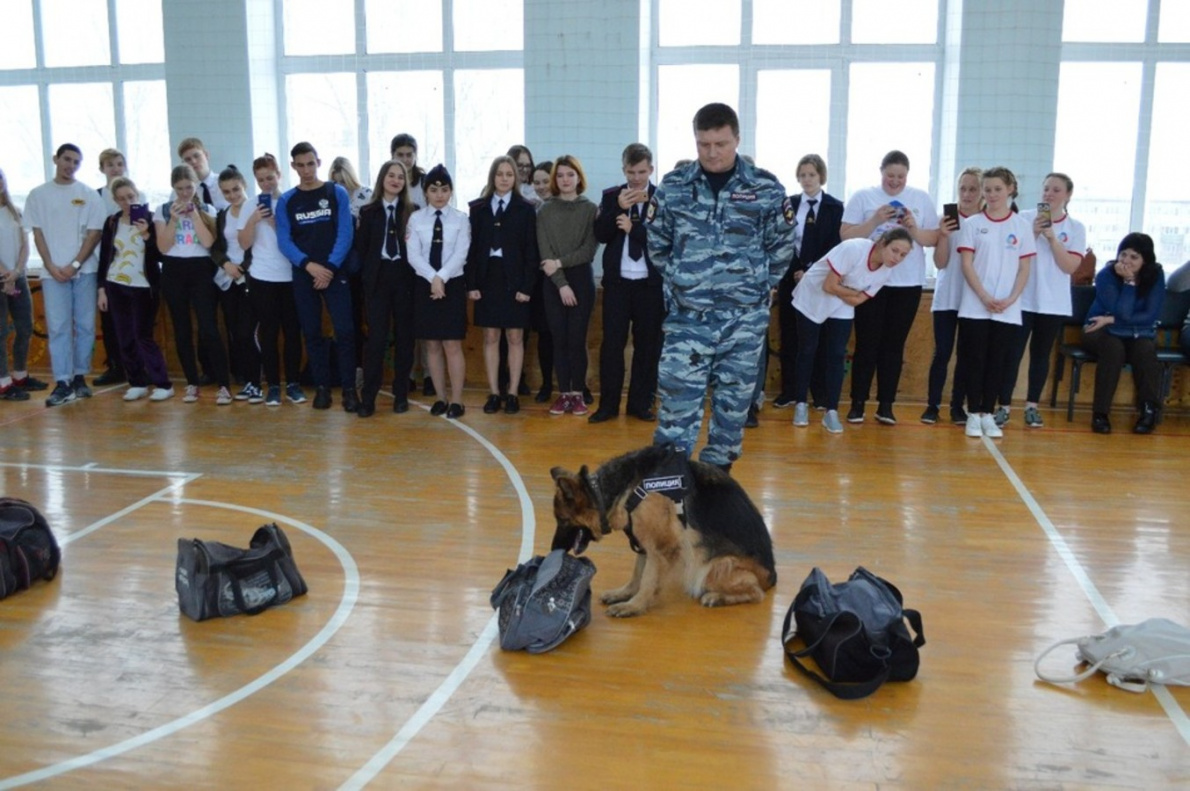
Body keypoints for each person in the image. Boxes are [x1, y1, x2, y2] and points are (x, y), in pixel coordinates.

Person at [647, 103, 795, 470]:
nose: (712, 152)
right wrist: (687, 283)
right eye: (703, 144)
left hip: (743, 322)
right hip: (688, 321)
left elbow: (782, 248)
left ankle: (715, 487)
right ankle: (669, 491)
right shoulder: (674, 187)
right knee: (676, 406)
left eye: (721, 144)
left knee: (732, 411)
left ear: (737, 139)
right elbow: (657, 245)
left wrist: (753, 286)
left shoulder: (765, 188)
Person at [840, 150, 939, 425]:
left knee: (894, 346)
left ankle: (886, 405)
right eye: (890, 175)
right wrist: (874, 221)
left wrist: (913, 228)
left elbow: (932, 239)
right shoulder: (863, 197)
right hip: (870, 280)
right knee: (866, 344)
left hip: (906, 284)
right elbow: (844, 235)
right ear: (881, 171)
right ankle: (857, 403)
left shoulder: (920, 198)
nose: (895, 181)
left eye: (901, 177)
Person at [790, 230, 913, 433]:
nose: (897, 258)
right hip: (813, 294)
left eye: (903, 255)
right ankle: (800, 404)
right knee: (807, 350)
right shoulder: (853, 248)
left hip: (842, 302)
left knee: (837, 354)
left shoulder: (885, 272)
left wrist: (849, 292)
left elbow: (857, 300)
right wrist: (853, 292)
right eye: (895, 250)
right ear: (882, 243)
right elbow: (829, 285)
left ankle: (831, 411)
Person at [997, 173, 1086, 428]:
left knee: (1040, 355)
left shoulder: (1076, 228)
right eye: (1046, 188)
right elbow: (1011, 256)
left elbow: (1069, 266)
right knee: (1012, 354)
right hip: (1022, 299)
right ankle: (1003, 406)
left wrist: (1052, 238)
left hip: (1053, 303)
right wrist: (1033, 233)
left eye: (1056, 190)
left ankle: (1032, 407)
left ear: (1068, 195)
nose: (1049, 194)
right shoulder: (1024, 219)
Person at [275, 141, 358, 411]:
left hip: (335, 272)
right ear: (293, 166)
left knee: (345, 331)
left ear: (318, 162)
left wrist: (330, 268)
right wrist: (308, 265)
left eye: (311, 163)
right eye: (300, 165)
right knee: (311, 332)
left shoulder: (337, 193)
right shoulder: (287, 200)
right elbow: (284, 241)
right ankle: (322, 388)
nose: (306, 170)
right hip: (305, 274)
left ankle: (348, 390)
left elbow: (345, 233)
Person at [24, 143, 107, 407]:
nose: (71, 166)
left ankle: (80, 377)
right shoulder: (38, 195)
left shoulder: (88, 195)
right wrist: (50, 265)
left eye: (76, 162)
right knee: (59, 328)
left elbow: (95, 233)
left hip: (84, 271)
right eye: (67, 160)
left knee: (84, 326)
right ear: (56, 159)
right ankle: (62, 381)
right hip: (52, 274)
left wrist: (74, 264)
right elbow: (37, 233)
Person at [955, 166, 1035, 439]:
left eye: (998, 189)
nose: (992, 194)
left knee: (998, 362)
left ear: (1011, 189)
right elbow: (967, 265)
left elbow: (1024, 268)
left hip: (1008, 309)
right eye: (987, 190)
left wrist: (1011, 299)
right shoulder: (973, 224)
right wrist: (985, 297)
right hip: (975, 306)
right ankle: (972, 413)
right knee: (974, 360)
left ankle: (988, 414)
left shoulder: (1022, 227)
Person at [589, 143, 662, 424]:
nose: (636, 178)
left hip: (649, 286)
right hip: (618, 285)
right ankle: (607, 405)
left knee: (647, 346)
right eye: (631, 172)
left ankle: (640, 404)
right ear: (623, 170)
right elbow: (601, 234)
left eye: (641, 172)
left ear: (651, 170)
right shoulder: (611, 196)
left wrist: (636, 230)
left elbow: (665, 241)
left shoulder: (661, 199)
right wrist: (617, 209)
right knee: (612, 345)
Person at [770, 153, 843, 417]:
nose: (807, 180)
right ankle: (790, 390)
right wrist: (797, 269)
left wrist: (812, 271)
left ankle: (819, 393)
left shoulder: (835, 207)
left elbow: (836, 243)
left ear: (821, 176)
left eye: (811, 175)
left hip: (823, 279)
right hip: (793, 278)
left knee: (820, 338)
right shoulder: (789, 204)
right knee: (791, 334)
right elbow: (783, 241)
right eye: (802, 175)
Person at [154, 163, 232, 405]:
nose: (185, 192)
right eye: (180, 188)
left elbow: (209, 242)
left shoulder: (208, 208)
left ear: (196, 185)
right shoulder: (162, 210)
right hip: (173, 270)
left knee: (208, 328)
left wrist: (195, 214)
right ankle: (191, 382)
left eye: (189, 187)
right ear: (173, 188)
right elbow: (163, 247)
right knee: (181, 329)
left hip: (200, 269)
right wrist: (174, 221)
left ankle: (223, 385)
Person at [467, 155, 538, 415]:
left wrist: (527, 286)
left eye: (509, 174)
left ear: (516, 178)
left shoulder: (525, 208)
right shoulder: (479, 208)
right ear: (492, 177)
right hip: (488, 278)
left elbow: (531, 251)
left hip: (515, 279)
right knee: (490, 336)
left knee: (515, 336)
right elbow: (472, 250)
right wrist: (471, 283)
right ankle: (494, 392)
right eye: (500, 174)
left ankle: (512, 393)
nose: (505, 178)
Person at [95, 176, 172, 401]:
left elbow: (161, 255)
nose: (127, 202)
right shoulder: (112, 222)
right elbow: (105, 257)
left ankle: (163, 383)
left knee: (142, 335)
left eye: (130, 197)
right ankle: (137, 381)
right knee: (124, 336)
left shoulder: (151, 220)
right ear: (116, 201)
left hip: (144, 287)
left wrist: (147, 235)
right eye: (121, 199)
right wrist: (101, 288)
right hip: (116, 284)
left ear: (137, 195)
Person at [1082, 232, 1166, 435]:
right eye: (1123, 254)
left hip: (1135, 331)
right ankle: (1100, 413)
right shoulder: (1106, 275)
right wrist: (1129, 283)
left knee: (1146, 349)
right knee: (1113, 348)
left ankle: (1148, 411)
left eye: (1134, 257)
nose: (1126, 261)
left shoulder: (1155, 275)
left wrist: (1110, 318)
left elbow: (1150, 315)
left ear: (1146, 260)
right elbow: (1124, 313)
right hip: (1098, 329)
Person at [240, 153, 304, 407]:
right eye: (261, 179)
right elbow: (244, 243)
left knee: (292, 332)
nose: (266, 183)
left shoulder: (290, 201)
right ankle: (273, 386)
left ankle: (294, 384)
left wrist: (276, 223)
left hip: (290, 276)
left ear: (279, 174)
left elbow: (297, 242)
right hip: (261, 277)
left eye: (270, 177)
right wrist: (255, 219)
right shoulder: (250, 205)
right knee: (268, 333)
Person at [406, 164, 470, 418]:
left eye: (444, 190)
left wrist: (441, 277)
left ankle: (457, 400)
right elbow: (414, 255)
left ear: (451, 192)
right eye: (434, 190)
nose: (439, 195)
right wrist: (433, 278)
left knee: (452, 344)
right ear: (425, 193)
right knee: (431, 344)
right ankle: (441, 397)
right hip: (425, 283)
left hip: (452, 285)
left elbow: (461, 253)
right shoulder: (416, 219)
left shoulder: (461, 219)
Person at [537, 154, 599, 417]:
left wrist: (560, 263)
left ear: (578, 178)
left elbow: (588, 250)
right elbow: (545, 252)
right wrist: (561, 283)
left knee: (576, 339)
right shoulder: (545, 210)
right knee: (559, 339)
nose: (565, 180)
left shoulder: (590, 209)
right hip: (553, 284)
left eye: (570, 175)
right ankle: (563, 394)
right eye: (560, 175)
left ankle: (577, 394)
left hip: (582, 280)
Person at [355, 159, 416, 417]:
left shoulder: (412, 211)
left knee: (405, 339)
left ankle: (401, 395)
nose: (395, 180)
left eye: (400, 177)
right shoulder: (369, 212)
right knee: (377, 340)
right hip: (378, 280)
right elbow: (362, 249)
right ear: (382, 179)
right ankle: (368, 397)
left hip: (404, 279)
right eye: (391, 176)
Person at [922, 166, 981, 426]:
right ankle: (932, 405)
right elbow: (941, 262)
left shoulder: (985, 222)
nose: (967, 194)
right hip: (947, 297)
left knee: (967, 355)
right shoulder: (946, 217)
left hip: (973, 300)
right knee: (942, 352)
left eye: (973, 189)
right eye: (963, 188)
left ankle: (958, 406)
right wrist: (943, 237)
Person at [212, 166, 263, 403]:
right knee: (235, 333)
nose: (232, 196)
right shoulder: (222, 215)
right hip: (227, 279)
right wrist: (225, 264)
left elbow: (260, 244)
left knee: (247, 332)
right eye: (227, 192)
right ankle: (246, 380)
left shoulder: (255, 209)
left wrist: (242, 267)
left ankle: (257, 381)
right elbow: (216, 247)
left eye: (236, 190)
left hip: (250, 277)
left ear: (244, 186)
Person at [0, 166, 43, 400]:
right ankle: (3, 383)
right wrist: (5, 275)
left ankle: (20, 375)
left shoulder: (14, 211)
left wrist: (16, 272)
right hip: (2, 279)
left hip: (18, 277)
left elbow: (24, 245)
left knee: (25, 327)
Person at [177, 137, 229, 210]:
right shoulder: (182, 190)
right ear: (184, 164)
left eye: (196, 156)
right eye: (188, 159)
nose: (193, 161)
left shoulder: (227, 182)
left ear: (206, 155)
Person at [507, 144, 541, 208]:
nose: (525, 170)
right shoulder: (499, 190)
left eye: (528, 166)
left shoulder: (537, 190)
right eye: (520, 165)